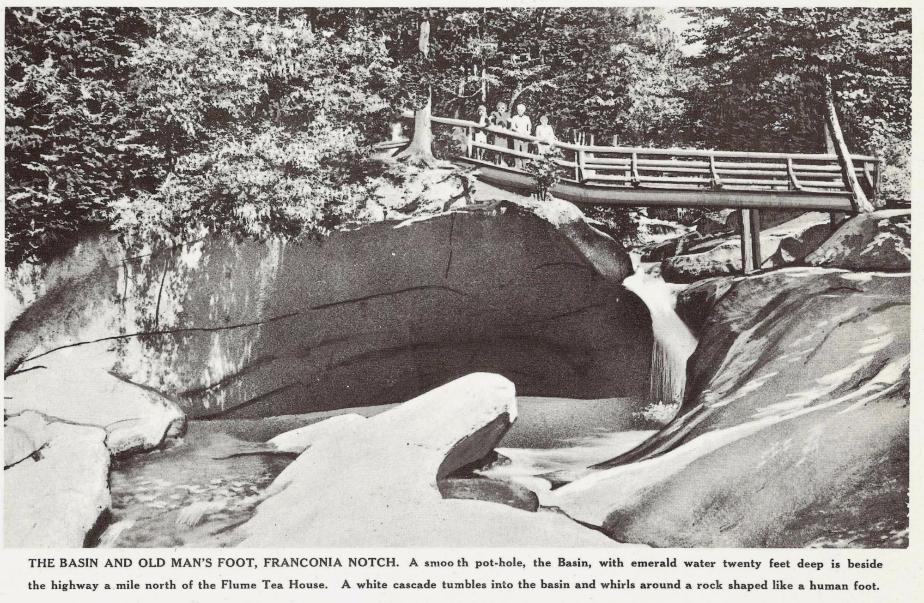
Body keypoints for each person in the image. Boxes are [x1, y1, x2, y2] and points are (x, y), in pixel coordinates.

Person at [509, 103, 532, 168]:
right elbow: (513, 126)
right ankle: (517, 165)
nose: (520, 111)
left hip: (524, 136)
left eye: (521, 110)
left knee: (524, 151)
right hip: (517, 135)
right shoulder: (515, 117)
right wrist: (517, 131)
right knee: (516, 150)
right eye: (519, 110)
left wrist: (528, 132)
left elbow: (529, 126)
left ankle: (524, 166)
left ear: (524, 110)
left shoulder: (527, 118)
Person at [489, 101, 511, 166]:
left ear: (505, 109)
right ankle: (495, 161)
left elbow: (510, 122)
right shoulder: (495, 114)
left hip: (504, 135)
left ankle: (501, 161)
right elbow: (489, 119)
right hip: (497, 134)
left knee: (503, 148)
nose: (501, 110)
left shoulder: (507, 115)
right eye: (499, 108)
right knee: (497, 147)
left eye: (503, 108)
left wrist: (508, 128)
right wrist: (492, 125)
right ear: (497, 108)